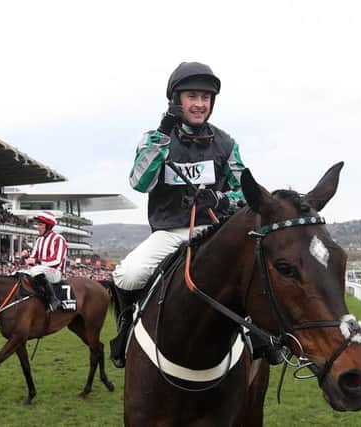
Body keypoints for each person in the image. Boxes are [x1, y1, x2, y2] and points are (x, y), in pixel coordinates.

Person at [110, 61, 247, 368]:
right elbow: (139, 182)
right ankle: (126, 328)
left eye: (206, 98)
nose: (199, 104)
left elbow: (245, 193)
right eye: (192, 96)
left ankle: (261, 342)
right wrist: (162, 134)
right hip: (169, 231)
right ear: (176, 100)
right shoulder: (154, 139)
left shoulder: (227, 144)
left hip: (214, 232)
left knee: (253, 270)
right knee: (128, 274)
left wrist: (222, 199)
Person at [25, 211, 67, 312]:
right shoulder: (39, 240)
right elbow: (33, 257)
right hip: (41, 270)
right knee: (19, 273)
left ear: (48, 226)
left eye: (40, 224)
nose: (37, 227)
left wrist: (37, 261)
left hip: (55, 272)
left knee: (35, 270)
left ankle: (54, 299)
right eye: (37, 224)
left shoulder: (58, 239)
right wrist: (27, 257)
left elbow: (56, 260)